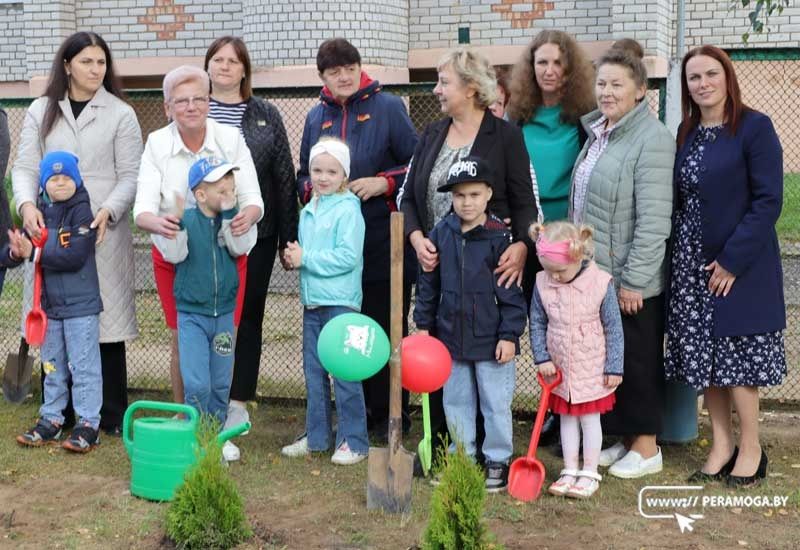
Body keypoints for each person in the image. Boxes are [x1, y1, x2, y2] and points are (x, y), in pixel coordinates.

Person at [400, 48, 538, 466]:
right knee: (446, 361)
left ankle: (492, 456)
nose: (436, 90)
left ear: (472, 89)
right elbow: (408, 196)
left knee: (484, 367)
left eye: (444, 82)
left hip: (486, 268)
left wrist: (522, 245)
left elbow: (525, 202)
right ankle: (450, 449)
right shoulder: (431, 134)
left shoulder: (506, 136)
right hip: (437, 269)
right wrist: (417, 237)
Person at [665, 45, 786, 487]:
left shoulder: (754, 128)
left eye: (711, 74)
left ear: (727, 77)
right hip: (690, 265)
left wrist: (732, 261)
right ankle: (720, 445)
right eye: (694, 77)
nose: (703, 84)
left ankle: (751, 448)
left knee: (737, 361)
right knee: (706, 361)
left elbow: (769, 199)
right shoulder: (687, 132)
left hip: (739, 266)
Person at [12, 31, 142, 435]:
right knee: (58, 315)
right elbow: (25, 168)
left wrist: (108, 211)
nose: (95, 69)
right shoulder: (41, 110)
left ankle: (109, 411)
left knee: (104, 319)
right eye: (87, 61)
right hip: (51, 228)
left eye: (101, 62)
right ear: (67, 65)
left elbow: (131, 175)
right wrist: (27, 205)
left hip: (100, 230)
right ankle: (60, 409)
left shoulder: (121, 113)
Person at [297, 38, 418, 439]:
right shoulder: (317, 117)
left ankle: (387, 413)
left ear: (360, 68)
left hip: (382, 243)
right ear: (323, 78)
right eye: (334, 72)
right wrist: (314, 191)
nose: (343, 76)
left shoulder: (388, 108)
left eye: (349, 68)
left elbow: (416, 164)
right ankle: (354, 415)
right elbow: (303, 175)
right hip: (332, 253)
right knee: (344, 333)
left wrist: (383, 182)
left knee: (380, 327)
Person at [134, 65, 263, 432]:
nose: (191, 106)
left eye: (199, 99)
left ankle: (219, 422)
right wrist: (158, 222)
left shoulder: (230, 137)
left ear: (209, 102)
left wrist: (247, 216)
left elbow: (253, 197)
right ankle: (185, 420)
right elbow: (142, 208)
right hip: (174, 259)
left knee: (224, 341)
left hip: (226, 257)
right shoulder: (157, 143)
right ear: (167, 107)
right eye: (181, 101)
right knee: (181, 340)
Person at [570, 41, 675, 479]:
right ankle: (625, 438)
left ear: (640, 91)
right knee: (611, 360)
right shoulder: (601, 131)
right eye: (601, 83)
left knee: (636, 360)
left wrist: (634, 279)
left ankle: (648, 448)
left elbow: (653, 220)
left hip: (630, 279)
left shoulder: (650, 140)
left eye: (617, 84)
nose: (606, 91)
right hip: (598, 274)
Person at [204, 36, 299, 461]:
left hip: (255, 236)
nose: (225, 66)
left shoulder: (265, 115)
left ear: (245, 70)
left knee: (247, 318)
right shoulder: (194, 109)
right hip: (203, 236)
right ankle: (205, 401)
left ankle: (237, 404)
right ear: (208, 67)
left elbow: (284, 176)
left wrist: (287, 236)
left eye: (233, 61)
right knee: (206, 317)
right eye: (218, 59)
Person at [414, 156, 527, 493]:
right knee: (456, 401)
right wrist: (422, 324)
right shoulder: (441, 232)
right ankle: (462, 455)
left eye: (475, 194)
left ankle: (497, 459)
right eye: (460, 195)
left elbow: (511, 293)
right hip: (450, 338)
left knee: (494, 402)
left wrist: (509, 334)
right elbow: (428, 283)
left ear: (489, 194)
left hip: (491, 340)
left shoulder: (499, 237)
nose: (467, 202)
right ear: (451, 197)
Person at [281, 138, 369, 465]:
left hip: (341, 303)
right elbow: (307, 254)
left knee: (345, 372)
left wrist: (306, 258)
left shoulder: (348, 209)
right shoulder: (310, 209)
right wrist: (295, 258)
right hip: (313, 303)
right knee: (314, 371)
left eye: (332, 171)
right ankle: (317, 437)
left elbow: (347, 256)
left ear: (344, 174)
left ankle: (354, 441)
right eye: (317, 170)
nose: (323, 177)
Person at [10, 152, 103, 452]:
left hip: (81, 308)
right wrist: (17, 247)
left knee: (83, 366)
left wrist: (33, 253)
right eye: (53, 178)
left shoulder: (82, 213)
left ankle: (88, 424)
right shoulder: (38, 214)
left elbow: (75, 256)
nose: (60, 183)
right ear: (43, 183)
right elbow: (22, 247)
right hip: (49, 308)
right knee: (52, 366)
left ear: (77, 180)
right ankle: (51, 418)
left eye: (66, 177)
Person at [155, 156, 256, 426]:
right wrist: (174, 222)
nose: (229, 195)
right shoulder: (186, 220)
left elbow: (239, 248)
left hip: (223, 315)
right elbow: (174, 255)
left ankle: (214, 438)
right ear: (200, 195)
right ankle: (195, 434)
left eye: (232, 190)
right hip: (192, 316)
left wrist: (229, 215)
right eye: (222, 191)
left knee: (222, 383)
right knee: (198, 384)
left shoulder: (232, 220)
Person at [528, 221, 624, 498]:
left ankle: (590, 471)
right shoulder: (542, 282)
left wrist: (614, 365)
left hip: (591, 365)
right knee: (566, 418)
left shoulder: (600, 284)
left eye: (559, 271)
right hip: (558, 369)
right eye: (548, 271)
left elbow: (613, 328)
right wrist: (541, 358)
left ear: (578, 257)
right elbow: (536, 321)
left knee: (589, 419)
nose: (554, 278)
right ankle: (570, 469)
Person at [507, 30, 595, 223]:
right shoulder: (516, 116)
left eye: (558, 62)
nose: (549, 71)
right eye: (542, 62)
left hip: (572, 225)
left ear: (570, 68)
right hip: (527, 222)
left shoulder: (588, 116)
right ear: (531, 67)